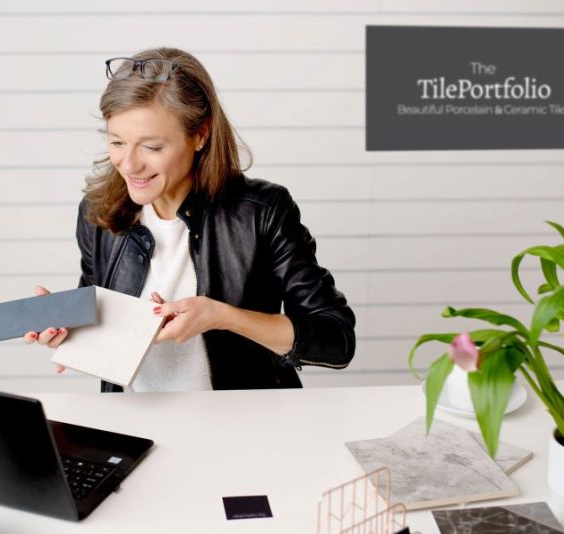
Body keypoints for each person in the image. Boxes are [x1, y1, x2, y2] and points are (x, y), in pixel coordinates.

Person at [25, 47, 355, 392]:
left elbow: (336, 339)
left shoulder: (263, 211)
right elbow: (103, 327)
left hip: (244, 427)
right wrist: (69, 331)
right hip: (131, 425)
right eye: (117, 142)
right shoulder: (97, 213)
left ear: (200, 134)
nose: (129, 164)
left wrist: (221, 316)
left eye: (151, 147)